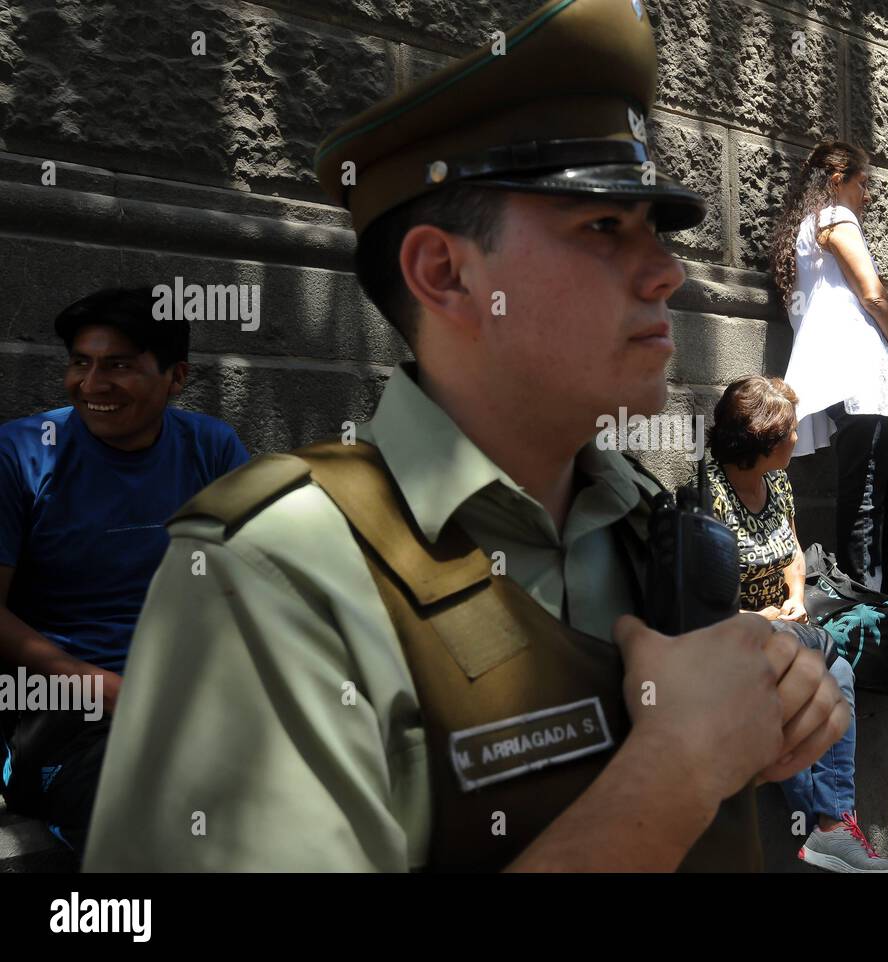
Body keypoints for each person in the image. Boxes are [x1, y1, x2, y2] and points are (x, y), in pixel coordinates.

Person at [84, 0, 848, 872]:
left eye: (655, 229)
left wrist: (778, 691)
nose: (667, 269)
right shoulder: (277, 579)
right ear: (445, 273)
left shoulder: (648, 524)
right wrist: (676, 772)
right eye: (604, 228)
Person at [0, 287, 248, 857]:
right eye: (80, 363)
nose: (91, 385)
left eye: (118, 366)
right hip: (63, 714)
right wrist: (112, 691)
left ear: (176, 377)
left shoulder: (212, 448)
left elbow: (252, 585)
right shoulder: (23, 454)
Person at [705, 375, 888, 873]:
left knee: (837, 673)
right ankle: (825, 828)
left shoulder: (776, 481)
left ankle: (832, 826)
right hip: (729, 635)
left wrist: (794, 596)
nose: (798, 438)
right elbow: (703, 600)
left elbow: (794, 551)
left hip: (787, 628)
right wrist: (761, 616)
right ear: (763, 439)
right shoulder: (710, 495)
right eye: (790, 431)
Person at [771, 139, 888, 602]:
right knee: (865, 494)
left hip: (846, 377)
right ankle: (866, 611)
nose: (868, 194)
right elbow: (876, 296)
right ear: (838, 180)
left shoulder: (807, 228)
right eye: (863, 183)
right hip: (857, 376)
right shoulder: (836, 219)